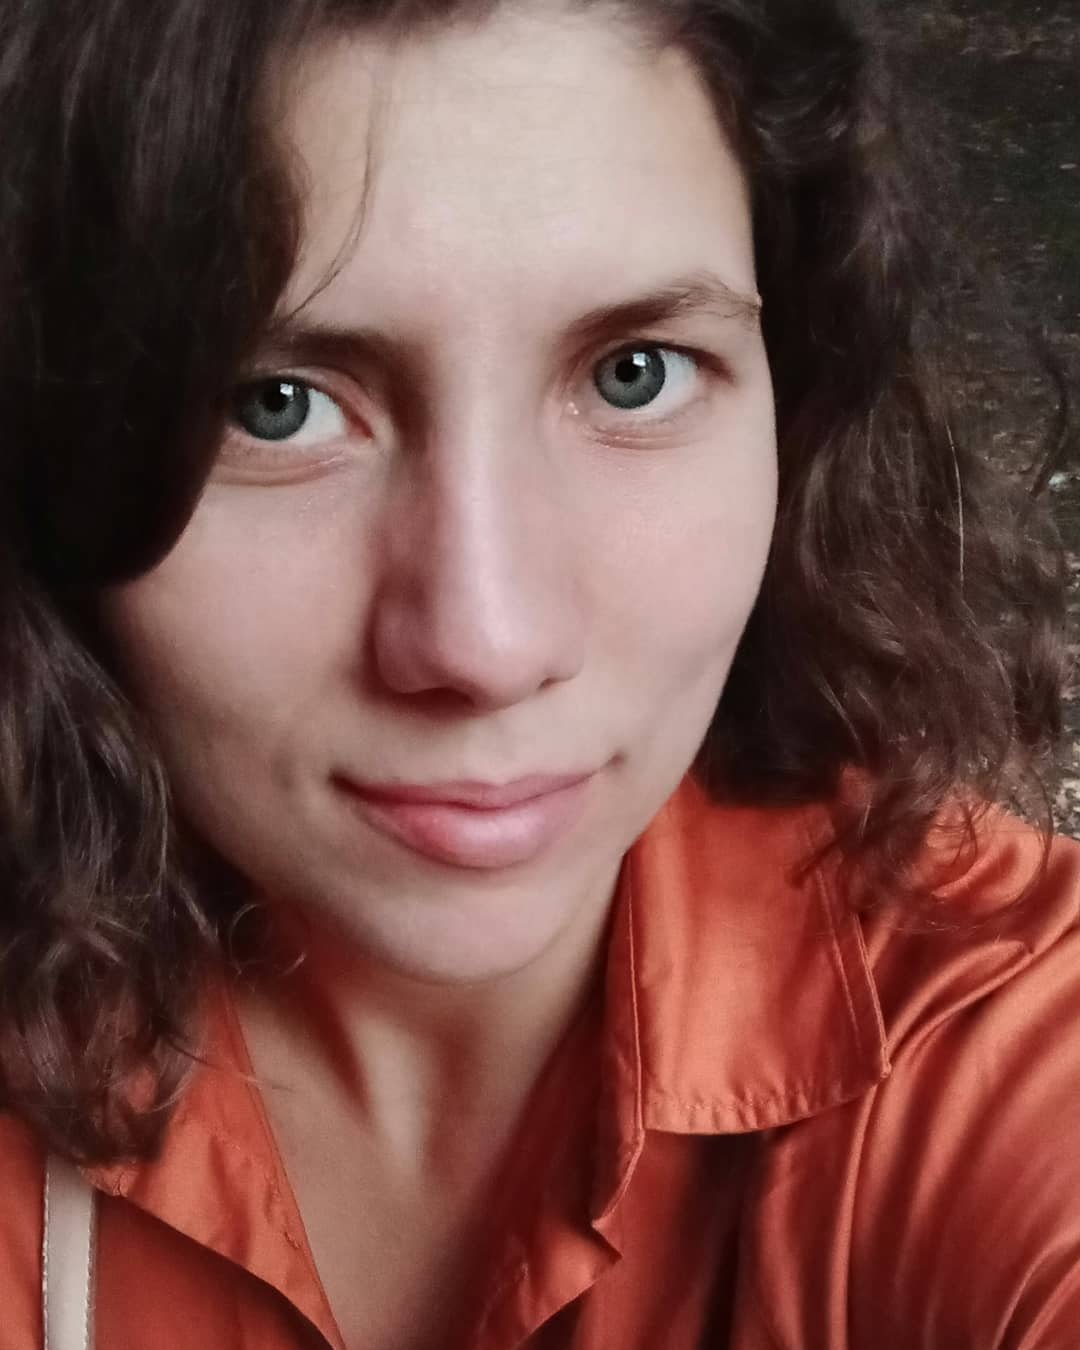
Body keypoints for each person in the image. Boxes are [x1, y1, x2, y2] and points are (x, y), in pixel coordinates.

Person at [0, 0, 1076, 1346]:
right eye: (273, 402)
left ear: (796, 393)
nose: (486, 644)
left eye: (635, 376)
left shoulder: (988, 1028)